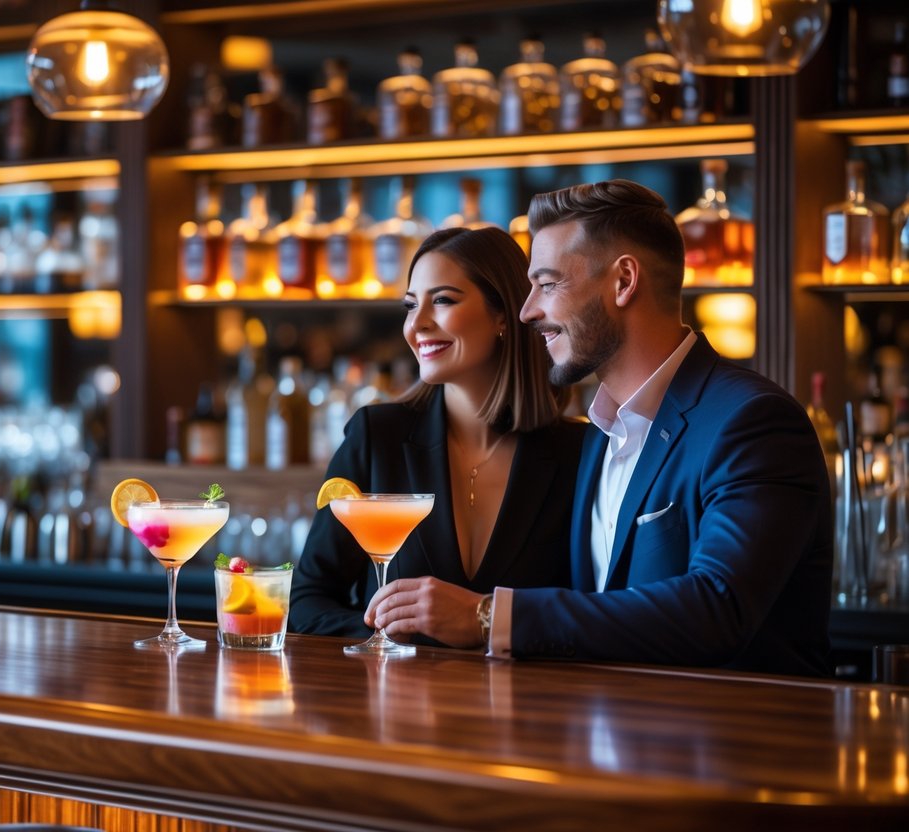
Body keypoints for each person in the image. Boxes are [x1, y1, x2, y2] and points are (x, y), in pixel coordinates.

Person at [367, 179, 833, 677]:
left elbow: (717, 608)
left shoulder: (753, 422)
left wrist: (486, 617)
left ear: (623, 281)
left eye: (547, 284)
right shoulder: (595, 438)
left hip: (738, 726)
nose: (528, 311)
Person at [289, 226, 586, 647]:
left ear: (504, 314)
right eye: (411, 306)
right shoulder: (377, 437)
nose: (417, 325)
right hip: (399, 689)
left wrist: (484, 621)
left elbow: (592, 611)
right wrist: (391, 636)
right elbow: (306, 602)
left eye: (443, 300)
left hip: (525, 690)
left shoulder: (578, 452)